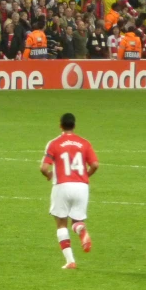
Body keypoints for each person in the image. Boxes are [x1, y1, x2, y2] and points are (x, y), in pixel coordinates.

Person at [40, 113, 99, 269]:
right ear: (74, 125)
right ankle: (81, 230)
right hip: (81, 187)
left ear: (60, 125)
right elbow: (95, 165)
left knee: (61, 223)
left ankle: (70, 261)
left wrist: (49, 175)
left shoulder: (54, 144)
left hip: (62, 186)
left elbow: (44, 168)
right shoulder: (84, 143)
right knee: (77, 220)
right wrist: (85, 175)